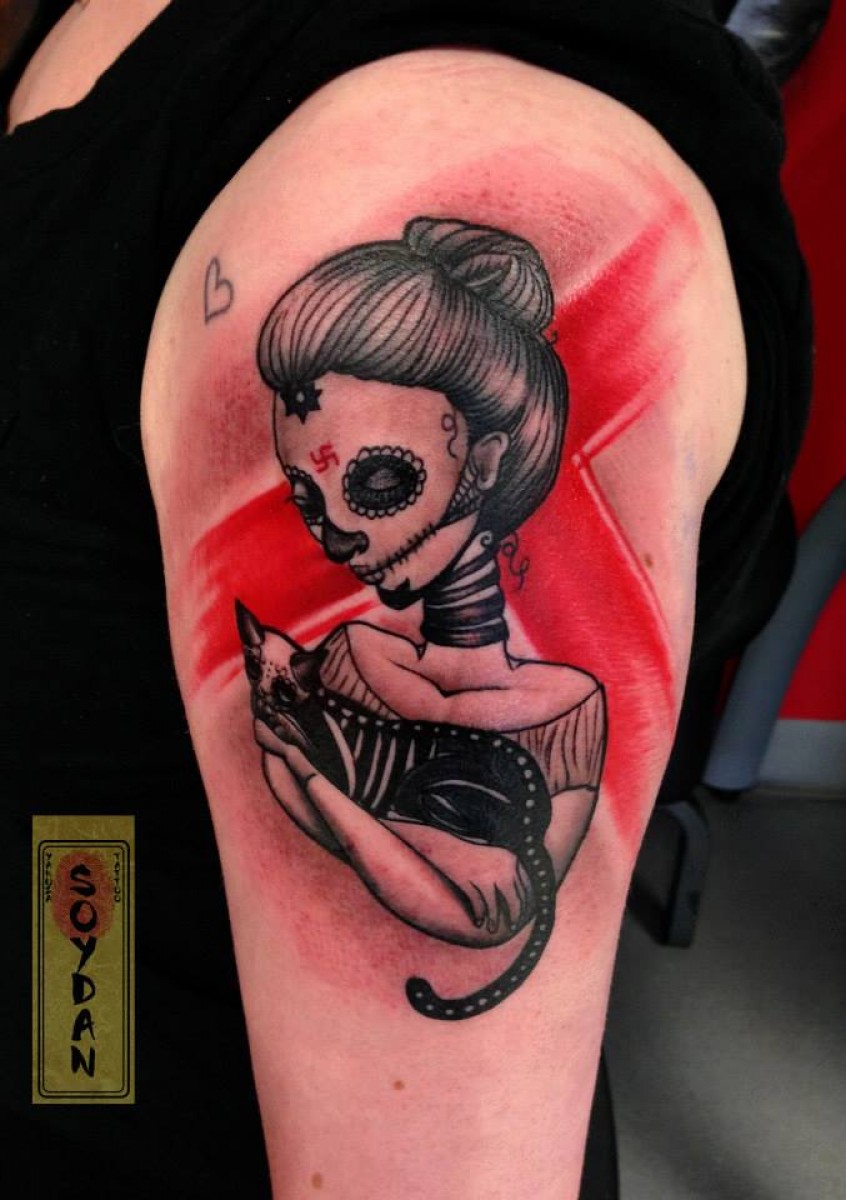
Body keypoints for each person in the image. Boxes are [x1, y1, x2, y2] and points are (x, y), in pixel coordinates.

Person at [2, 2, 811, 1197]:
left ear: (485, 457)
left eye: (379, 482)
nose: (333, 531)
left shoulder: (405, 158)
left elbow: (485, 931)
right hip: (82, 961)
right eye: (304, 491)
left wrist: (325, 785)